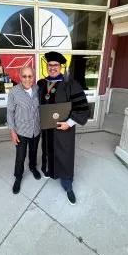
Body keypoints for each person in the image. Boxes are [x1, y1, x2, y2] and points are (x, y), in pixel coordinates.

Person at [37, 51, 89, 205]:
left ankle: (67, 184)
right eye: (50, 64)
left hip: (63, 129)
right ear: (47, 66)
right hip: (47, 130)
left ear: (60, 67)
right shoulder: (41, 84)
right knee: (46, 149)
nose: (52, 67)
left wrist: (70, 123)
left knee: (64, 153)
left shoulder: (70, 84)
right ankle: (49, 170)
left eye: (55, 65)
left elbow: (83, 108)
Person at [7, 66, 41, 194]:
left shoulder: (37, 89)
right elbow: (10, 113)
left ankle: (33, 167)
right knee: (20, 156)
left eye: (30, 76)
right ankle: (18, 177)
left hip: (35, 130)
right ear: (20, 77)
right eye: (24, 76)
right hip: (21, 131)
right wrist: (12, 132)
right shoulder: (14, 92)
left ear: (33, 77)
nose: (27, 79)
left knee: (33, 151)